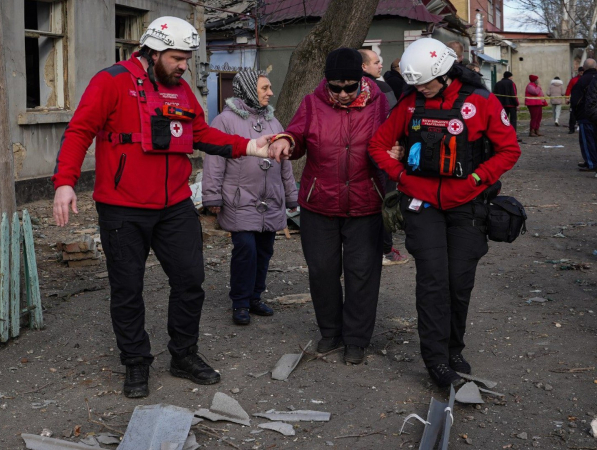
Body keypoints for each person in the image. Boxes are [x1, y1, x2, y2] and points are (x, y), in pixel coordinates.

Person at [51, 16, 280, 399]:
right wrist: (64, 183)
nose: (183, 65)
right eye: (177, 57)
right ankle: (136, 362)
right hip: (122, 208)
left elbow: (201, 133)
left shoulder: (180, 89)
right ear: (153, 51)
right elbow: (79, 131)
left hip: (174, 206)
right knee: (127, 289)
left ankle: (183, 354)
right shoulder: (111, 81)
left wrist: (252, 146)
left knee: (190, 282)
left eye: (186, 58)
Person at [368, 38, 521, 387]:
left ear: (447, 73)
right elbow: (377, 145)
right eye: (415, 83)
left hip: (468, 206)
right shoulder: (409, 104)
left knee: (458, 282)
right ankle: (436, 360)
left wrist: (479, 178)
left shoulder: (480, 101)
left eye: (425, 82)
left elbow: (509, 149)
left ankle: (454, 348)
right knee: (433, 282)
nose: (420, 88)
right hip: (422, 207)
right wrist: (401, 176)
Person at [268, 48, 399, 365]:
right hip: (319, 203)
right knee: (323, 271)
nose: (341, 94)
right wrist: (287, 141)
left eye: (349, 87)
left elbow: (394, 137)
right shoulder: (312, 103)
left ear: (361, 80)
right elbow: (298, 133)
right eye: (335, 87)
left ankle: (356, 339)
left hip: (366, 204)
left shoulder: (380, 102)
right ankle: (330, 332)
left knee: (362, 273)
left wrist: (398, 149)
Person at [201, 69, 298, 326]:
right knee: (245, 249)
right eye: (265, 88)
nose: (270, 93)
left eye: (269, 88)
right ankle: (240, 302)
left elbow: (285, 164)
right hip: (239, 199)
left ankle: (255, 297)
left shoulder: (274, 123)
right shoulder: (224, 121)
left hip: (271, 199)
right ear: (247, 89)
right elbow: (214, 161)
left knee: (265, 250)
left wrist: (291, 195)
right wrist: (212, 196)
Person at [358, 49, 408, 265]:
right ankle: (385, 250)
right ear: (363, 66)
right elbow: (396, 123)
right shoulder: (383, 88)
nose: (381, 66)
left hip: (357, 159)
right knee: (387, 200)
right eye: (377, 62)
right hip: (383, 156)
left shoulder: (344, 89)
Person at [570, 58, 597, 171]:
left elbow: (575, 100)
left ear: (584, 68)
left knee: (587, 141)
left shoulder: (581, 81)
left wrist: (576, 114)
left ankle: (591, 163)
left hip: (585, 115)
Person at [494, 71, 521, 142]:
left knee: (503, 120)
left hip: (501, 105)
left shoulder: (498, 84)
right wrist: (517, 104)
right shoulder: (511, 83)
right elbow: (513, 94)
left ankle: (503, 135)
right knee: (513, 120)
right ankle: (513, 135)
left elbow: (495, 94)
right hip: (511, 104)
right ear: (510, 76)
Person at [566, 67, 584, 134]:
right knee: (572, 115)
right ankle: (571, 128)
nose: (582, 73)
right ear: (578, 72)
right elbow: (569, 89)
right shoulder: (573, 80)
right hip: (574, 100)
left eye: (583, 71)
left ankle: (581, 127)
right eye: (581, 71)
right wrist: (567, 98)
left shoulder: (585, 79)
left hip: (582, 100)